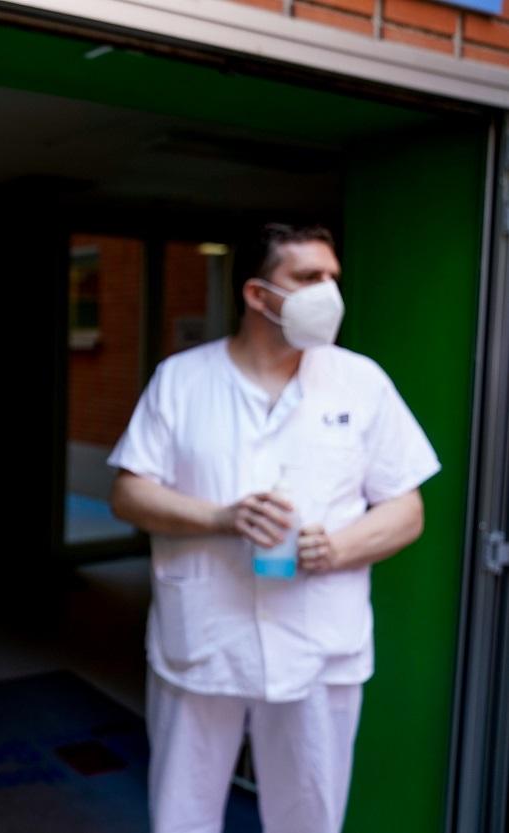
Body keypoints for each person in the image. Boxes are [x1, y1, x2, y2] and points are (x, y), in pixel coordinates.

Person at [106, 223, 440, 833]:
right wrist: (221, 517)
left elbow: (407, 509)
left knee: (309, 815)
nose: (330, 293)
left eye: (333, 278)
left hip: (319, 646)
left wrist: (338, 547)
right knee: (182, 815)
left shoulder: (361, 383)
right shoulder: (182, 381)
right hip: (204, 640)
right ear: (257, 295)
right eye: (309, 278)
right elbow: (128, 493)